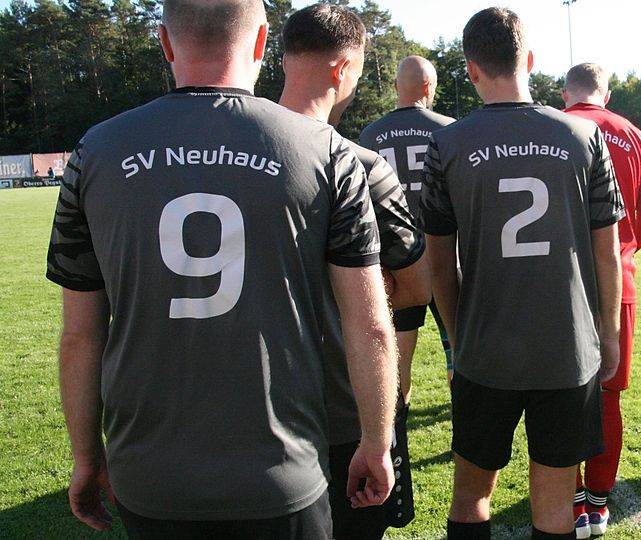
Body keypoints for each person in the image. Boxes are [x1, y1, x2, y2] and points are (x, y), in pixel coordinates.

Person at [45, 1, 398, 537]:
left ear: (165, 43)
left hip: (148, 475)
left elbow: (80, 336)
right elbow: (370, 325)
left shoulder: (94, 151)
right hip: (281, 472)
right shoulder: (327, 152)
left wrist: (86, 456)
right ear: (261, 43)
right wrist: (374, 442)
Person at [421, 8, 624, 539]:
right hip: (567, 348)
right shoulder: (585, 136)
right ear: (529, 60)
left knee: (470, 497)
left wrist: (457, 335)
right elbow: (607, 255)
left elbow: (439, 263)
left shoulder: (446, 144)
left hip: (485, 348)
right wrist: (609, 333)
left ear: (471, 69)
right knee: (555, 508)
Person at [278, 4, 430, 539]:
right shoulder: (360, 165)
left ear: (283, 59)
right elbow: (416, 286)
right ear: (344, 69)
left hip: (250, 409)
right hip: (344, 406)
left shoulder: (227, 157)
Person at [561, 62, 641, 539]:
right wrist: (625, 245)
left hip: (559, 281)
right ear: (606, 93)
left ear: (566, 93)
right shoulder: (635, 136)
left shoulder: (551, 127)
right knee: (607, 394)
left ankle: (571, 499)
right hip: (616, 281)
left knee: (559, 394)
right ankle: (599, 504)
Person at [359, 55, 457, 388]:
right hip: (444, 255)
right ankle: (462, 410)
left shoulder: (371, 134)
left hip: (396, 259)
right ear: (428, 87)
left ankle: (397, 412)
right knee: (456, 344)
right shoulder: (449, 129)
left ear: (395, 85)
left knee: (399, 352)